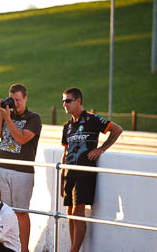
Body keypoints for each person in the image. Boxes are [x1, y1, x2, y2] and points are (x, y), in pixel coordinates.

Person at [60, 87, 123, 252]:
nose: (64, 104)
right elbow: (65, 153)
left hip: (84, 171)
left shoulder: (91, 119)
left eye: (68, 100)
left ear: (78, 101)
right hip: (69, 172)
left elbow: (116, 130)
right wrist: (61, 179)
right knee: (69, 212)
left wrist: (101, 149)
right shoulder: (67, 126)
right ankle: (73, 248)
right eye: (63, 101)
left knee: (78, 211)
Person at [0, 83, 42, 252]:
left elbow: (21, 139)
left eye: (18, 100)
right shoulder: (6, 115)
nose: (16, 104)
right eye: (13, 100)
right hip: (1, 166)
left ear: (25, 98)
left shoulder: (34, 118)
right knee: (1, 210)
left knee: (20, 212)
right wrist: (2, 113)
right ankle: (4, 247)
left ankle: (24, 249)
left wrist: (8, 119)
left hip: (22, 170)